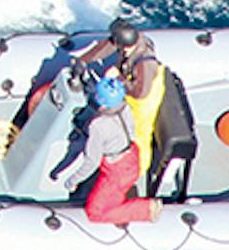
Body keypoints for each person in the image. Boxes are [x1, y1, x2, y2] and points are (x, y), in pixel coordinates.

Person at [51, 75, 161, 225]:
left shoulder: (98, 126)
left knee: (95, 213)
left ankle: (146, 210)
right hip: (131, 157)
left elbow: (92, 162)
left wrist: (72, 180)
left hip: (117, 172)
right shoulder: (125, 107)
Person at [74, 18, 169, 177]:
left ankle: (138, 169)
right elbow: (106, 47)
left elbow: (141, 93)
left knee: (140, 133)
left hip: (144, 97)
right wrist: (83, 61)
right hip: (133, 84)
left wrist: (119, 78)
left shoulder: (145, 63)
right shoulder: (128, 40)